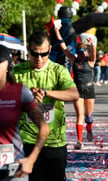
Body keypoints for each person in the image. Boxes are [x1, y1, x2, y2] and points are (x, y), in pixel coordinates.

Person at [13, 30, 79, 181]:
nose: (39, 59)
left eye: (43, 54)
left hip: (55, 142)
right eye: (35, 54)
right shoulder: (17, 72)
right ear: (28, 50)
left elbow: (74, 94)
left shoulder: (58, 71)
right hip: (27, 141)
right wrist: (26, 96)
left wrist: (47, 92)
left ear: (49, 50)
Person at [0, 45, 49, 181]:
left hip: (14, 168)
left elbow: (44, 128)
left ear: (8, 65)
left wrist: (31, 159)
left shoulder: (19, 91)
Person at [54, 25, 96, 149]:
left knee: (89, 116)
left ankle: (89, 128)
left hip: (89, 90)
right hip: (77, 91)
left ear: (86, 52)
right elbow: (63, 47)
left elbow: (93, 53)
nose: (81, 55)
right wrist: (57, 32)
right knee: (80, 115)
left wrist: (92, 44)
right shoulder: (74, 60)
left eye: (83, 52)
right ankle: (79, 140)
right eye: (79, 52)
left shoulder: (91, 61)